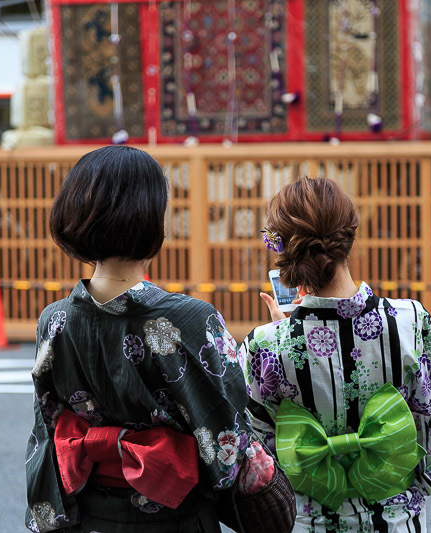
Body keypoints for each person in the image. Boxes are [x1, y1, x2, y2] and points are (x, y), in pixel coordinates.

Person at [24, 146, 278, 533]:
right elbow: (231, 441)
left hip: (90, 519)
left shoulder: (54, 320)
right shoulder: (192, 320)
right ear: (153, 221)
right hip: (176, 519)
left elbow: (47, 430)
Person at [239, 177, 431, 532]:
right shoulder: (411, 322)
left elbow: (251, 448)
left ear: (283, 248)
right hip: (397, 521)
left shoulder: (265, 345)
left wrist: (283, 336)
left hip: (306, 523)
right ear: (349, 235)